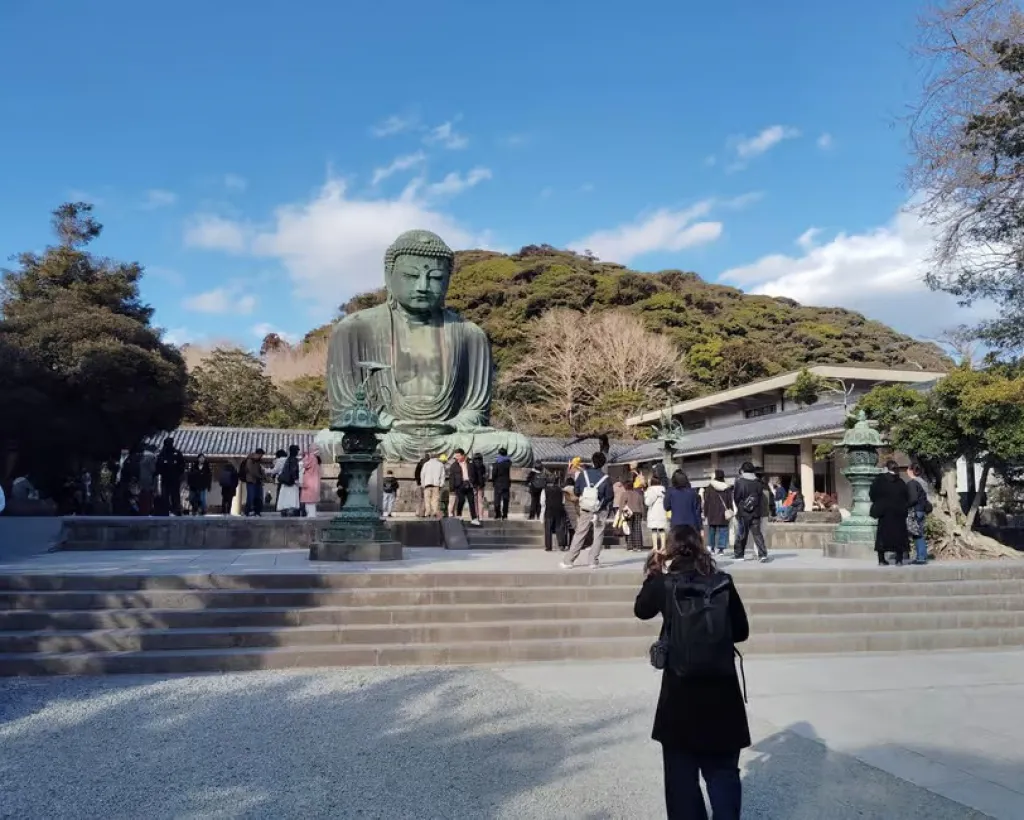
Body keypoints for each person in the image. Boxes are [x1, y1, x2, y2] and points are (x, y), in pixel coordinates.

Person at [634, 525, 750, 820]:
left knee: (681, 778)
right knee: (723, 772)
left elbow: (642, 610)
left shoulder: (666, 583)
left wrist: (653, 572)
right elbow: (741, 631)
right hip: (722, 691)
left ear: (670, 549)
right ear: (701, 547)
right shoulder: (723, 581)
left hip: (680, 692)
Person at [561, 452, 613, 569]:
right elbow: (609, 496)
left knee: (580, 533)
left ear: (592, 461)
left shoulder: (583, 475)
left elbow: (577, 490)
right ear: (603, 463)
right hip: (600, 510)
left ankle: (569, 560)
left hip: (586, 508)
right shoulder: (606, 478)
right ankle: (593, 560)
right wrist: (601, 505)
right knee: (598, 534)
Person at [870, 460, 911, 566]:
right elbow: (906, 497)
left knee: (882, 536)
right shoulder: (901, 482)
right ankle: (899, 560)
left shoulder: (879, 481)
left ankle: (881, 560)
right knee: (899, 536)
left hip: (884, 513)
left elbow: (872, 494)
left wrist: (879, 503)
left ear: (886, 468)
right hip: (898, 513)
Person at [732, 463, 769, 563]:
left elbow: (736, 497)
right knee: (757, 534)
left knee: (742, 533)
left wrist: (741, 506)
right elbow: (760, 497)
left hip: (743, 513)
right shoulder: (758, 482)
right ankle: (762, 554)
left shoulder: (740, 482)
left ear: (743, 470)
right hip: (755, 512)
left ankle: (739, 555)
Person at [702, 470, 734, 555]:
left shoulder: (710, 487)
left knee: (712, 531)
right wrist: (731, 510)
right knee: (723, 530)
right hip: (723, 513)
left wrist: (705, 513)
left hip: (712, 513)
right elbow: (729, 501)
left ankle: (711, 548)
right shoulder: (727, 487)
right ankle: (721, 549)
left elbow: (706, 501)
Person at [906, 464, 932, 564]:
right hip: (922, 509)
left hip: (916, 510)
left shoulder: (913, 483)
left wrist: (906, 505)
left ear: (911, 471)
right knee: (919, 532)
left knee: (917, 534)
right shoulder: (923, 482)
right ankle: (922, 556)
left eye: (908, 469)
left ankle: (921, 557)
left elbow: (913, 498)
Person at [449, 449, 482, 525]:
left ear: (463, 455)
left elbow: (476, 474)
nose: (457, 457)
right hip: (459, 485)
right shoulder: (454, 466)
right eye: (456, 456)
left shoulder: (470, 463)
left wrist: (476, 484)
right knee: (461, 500)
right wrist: (452, 488)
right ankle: (459, 514)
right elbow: (452, 477)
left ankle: (474, 518)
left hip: (469, 484)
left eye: (458, 456)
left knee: (471, 502)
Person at [155, 437, 185, 516]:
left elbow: (182, 465)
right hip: (165, 479)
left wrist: (178, 473)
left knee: (175, 495)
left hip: (175, 479)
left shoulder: (177, 453)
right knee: (165, 496)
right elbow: (158, 466)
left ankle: (176, 510)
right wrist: (162, 471)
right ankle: (165, 511)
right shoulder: (162, 454)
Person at [275, 445, 302, 517]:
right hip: (291, 483)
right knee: (292, 498)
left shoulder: (288, 459)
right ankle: (291, 512)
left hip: (285, 482)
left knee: (285, 497)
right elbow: (294, 471)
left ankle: (284, 511)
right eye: (297, 451)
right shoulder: (294, 460)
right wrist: (296, 480)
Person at [644, 474, 668, 554]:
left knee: (654, 530)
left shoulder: (651, 490)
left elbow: (648, 502)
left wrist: (646, 495)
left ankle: (655, 547)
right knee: (662, 529)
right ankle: (663, 546)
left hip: (654, 512)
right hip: (662, 512)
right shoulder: (663, 490)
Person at [543, 474, 567, 551]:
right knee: (559, 527)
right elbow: (563, 501)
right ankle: (561, 544)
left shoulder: (545, 490)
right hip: (559, 510)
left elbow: (542, 502)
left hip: (549, 510)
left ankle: (548, 546)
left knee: (548, 528)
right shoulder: (560, 490)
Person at [622, 477, 646, 552]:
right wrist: (643, 514)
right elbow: (641, 504)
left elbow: (621, 505)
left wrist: (620, 514)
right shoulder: (637, 494)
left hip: (628, 513)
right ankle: (638, 546)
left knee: (629, 529)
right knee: (637, 529)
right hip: (638, 512)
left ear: (626, 486)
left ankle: (630, 547)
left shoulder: (625, 493)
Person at [420, 453, 446, 519]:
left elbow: (422, 474)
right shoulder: (440, 464)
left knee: (427, 499)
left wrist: (423, 484)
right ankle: (434, 512)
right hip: (436, 484)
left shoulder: (426, 464)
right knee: (435, 499)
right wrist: (441, 484)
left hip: (427, 484)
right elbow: (443, 476)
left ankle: (428, 512)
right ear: (437, 457)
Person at [242, 448, 266, 517]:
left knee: (259, 497)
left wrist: (263, 476)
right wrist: (260, 476)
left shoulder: (259, 461)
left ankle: (257, 511)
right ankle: (247, 511)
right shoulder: (249, 460)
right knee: (250, 497)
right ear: (257, 454)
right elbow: (252, 471)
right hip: (251, 481)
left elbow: (261, 470)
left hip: (258, 481)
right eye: (260, 455)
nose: (261, 456)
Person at [491, 448, 513, 520]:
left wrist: (493, 480)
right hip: (506, 483)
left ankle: (498, 514)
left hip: (498, 483)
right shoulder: (508, 462)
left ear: (499, 454)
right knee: (505, 499)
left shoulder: (497, 463)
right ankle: (505, 515)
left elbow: (494, 474)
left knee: (497, 499)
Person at [300, 448, 321, 518]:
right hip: (313, 485)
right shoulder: (316, 463)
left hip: (308, 484)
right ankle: (312, 515)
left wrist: (306, 456)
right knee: (311, 504)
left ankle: (310, 516)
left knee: (309, 503)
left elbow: (305, 464)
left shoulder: (310, 459)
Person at [471, 453, 488, 519]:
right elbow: (484, 476)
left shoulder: (472, 466)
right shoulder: (482, 466)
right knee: (480, 501)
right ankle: (481, 516)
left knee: (474, 501)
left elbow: (471, 476)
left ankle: (476, 515)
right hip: (481, 486)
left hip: (474, 486)